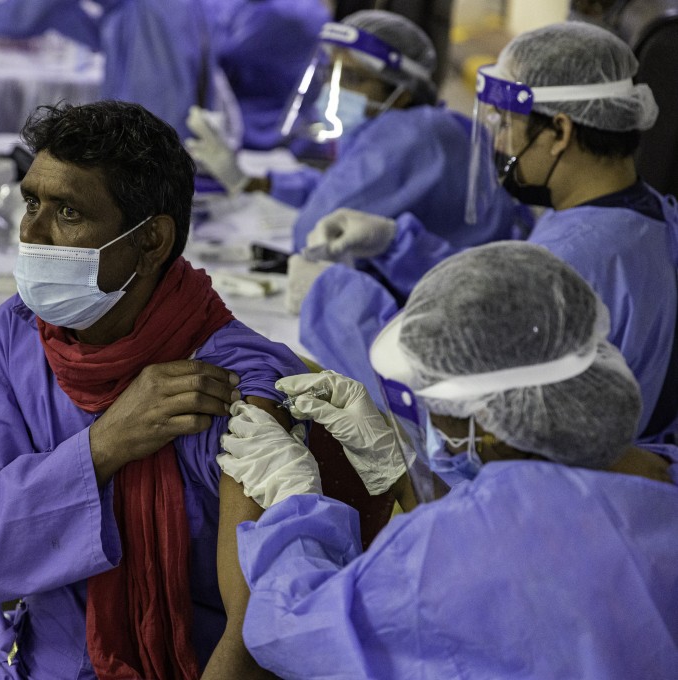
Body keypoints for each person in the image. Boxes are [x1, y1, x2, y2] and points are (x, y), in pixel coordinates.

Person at [0, 100, 308, 679]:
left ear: (150, 241)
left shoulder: (231, 382)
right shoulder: (16, 335)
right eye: (31, 203)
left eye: (69, 212)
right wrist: (104, 446)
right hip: (20, 659)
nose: (32, 232)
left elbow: (258, 630)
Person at [217, 241, 678, 679]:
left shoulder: (469, 544)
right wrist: (400, 476)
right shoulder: (656, 473)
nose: (434, 433)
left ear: (494, 426)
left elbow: (296, 631)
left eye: (442, 421)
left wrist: (292, 504)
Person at [312, 21, 678, 439]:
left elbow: (451, 415)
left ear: (560, 131)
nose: (500, 145)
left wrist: (336, 302)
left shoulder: (573, 258)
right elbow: (499, 291)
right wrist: (398, 245)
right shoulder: (638, 217)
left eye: (505, 124)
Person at [187, 10, 523, 254]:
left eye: (352, 79)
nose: (334, 91)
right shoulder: (411, 126)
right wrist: (254, 182)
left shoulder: (407, 138)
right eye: (331, 73)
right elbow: (344, 186)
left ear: (402, 92)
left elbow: (315, 233)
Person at [0, 0, 228, 139]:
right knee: (176, 135)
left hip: (152, 30)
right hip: (175, 20)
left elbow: (28, 13)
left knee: (147, 142)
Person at [208, 0, 330, 149]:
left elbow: (224, 56)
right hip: (294, 131)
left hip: (251, 131)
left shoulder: (287, 12)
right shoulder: (313, 12)